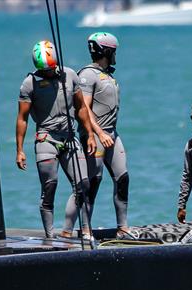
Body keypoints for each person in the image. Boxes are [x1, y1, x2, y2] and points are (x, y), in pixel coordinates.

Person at [15, 40, 97, 239]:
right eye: (45, 71)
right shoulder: (29, 84)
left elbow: (81, 108)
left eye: (51, 69)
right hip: (46, 140)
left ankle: (85, 230)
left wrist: (90, 135)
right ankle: (50, 236)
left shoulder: (70, 75)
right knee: (49, 187)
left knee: (83, 184)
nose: (49, 73)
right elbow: (22, 118)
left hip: (70, 138)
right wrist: (20, 150)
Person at [64, 31, 136, 240]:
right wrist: (98, 133)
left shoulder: (107, 74)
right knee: (92, 182)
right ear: (106, 51)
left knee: (122, 178)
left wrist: (108, 133)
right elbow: (83, 109)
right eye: (113, 52)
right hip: (94, 136)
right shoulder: (87, 75)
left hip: (112, 134)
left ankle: (123, 227)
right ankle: (83, 229)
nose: (115, 55)